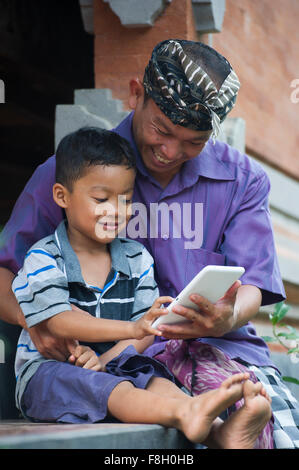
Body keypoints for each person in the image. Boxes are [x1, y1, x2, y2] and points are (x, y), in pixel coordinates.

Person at [0, 39, 298, 448]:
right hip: (102, 358)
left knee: (267, 423)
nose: (170, 152)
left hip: (213, 348)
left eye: (193, 141)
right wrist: (35, 319)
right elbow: (6, 270)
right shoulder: (75, 174)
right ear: (135, 93)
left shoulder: (241, 181)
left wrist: (227, 317)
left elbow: (252, 285)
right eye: (162, 129)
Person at [11, 127, 272, 448]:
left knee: (150, 375)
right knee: (107, 387)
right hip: (47, 373)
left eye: (126, 200)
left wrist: (106, 361)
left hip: (111, 365)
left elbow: (148, 330)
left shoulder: (136, 258)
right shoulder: (44, 256)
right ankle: (190, 415)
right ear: (62, 196)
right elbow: (58, 321)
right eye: (101, 199)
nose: (116, 211)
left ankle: (218, 429)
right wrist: (132, 328)